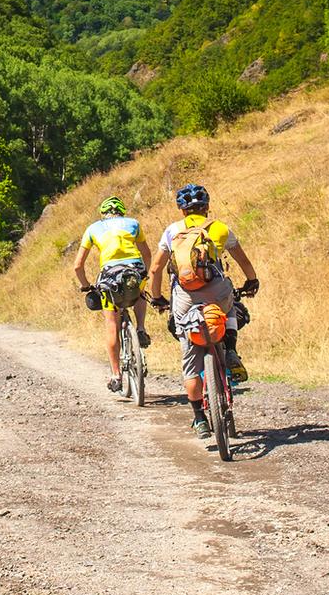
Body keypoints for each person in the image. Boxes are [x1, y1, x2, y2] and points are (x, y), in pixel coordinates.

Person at [147, 183, 259, 439]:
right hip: (216, 290)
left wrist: (157, 298)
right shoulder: (219, 228)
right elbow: (243, 260)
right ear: (207, 207)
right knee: (230, 307)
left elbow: (155, 269)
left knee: (189, 354)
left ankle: (199, 417)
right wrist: (252, 281)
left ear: (182, 209)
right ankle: (230, 350)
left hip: (185, 295)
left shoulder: (172, 231)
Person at [72, 195, 152, 393]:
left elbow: (77, 266)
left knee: (111, 325)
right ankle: (140, 328)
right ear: (121, 211)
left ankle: (116, 375)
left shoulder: (93, 229)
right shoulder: (134, 223)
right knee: (141, 291)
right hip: (134, 268)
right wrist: (146, 275)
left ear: (103, 213)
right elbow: (147, 254)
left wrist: (85, 286)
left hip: (110, 275)